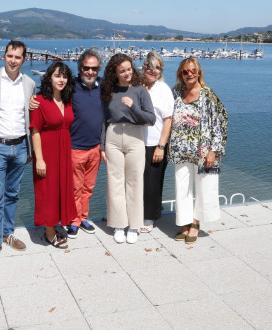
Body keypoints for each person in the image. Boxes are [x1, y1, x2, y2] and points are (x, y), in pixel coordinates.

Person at [29, 48, 104, 239]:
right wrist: (32, 100)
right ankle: (73, 222)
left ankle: (81, 217)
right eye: (86, 67)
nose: (90, 71)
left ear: (98, 69)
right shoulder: (69, 89)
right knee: (72, 188)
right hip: (73, 148)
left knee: (87, 188)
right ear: (80, 68)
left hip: (94, 147)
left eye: (94, 68)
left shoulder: (101, 87)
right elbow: (36, 127)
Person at [0, 40, 36, 265]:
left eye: (18, 57)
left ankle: (7, 233)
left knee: (12, 194)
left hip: (21, 147)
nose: (13, 60)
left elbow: (29, 116)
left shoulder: (29, 83)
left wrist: (31, 148)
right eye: (10, 56)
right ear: (4, 56)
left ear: (24, 59)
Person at [169, 57, 228, 244]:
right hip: (180, 149)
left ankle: (195, 223)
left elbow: (221, 121)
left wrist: (214, 150)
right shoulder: (176, 92)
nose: (189, 74)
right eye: (185, 72)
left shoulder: (207, 95)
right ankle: (184, 222)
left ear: (198, 72)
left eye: (192, 71)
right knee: (182, 187)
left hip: (202, 151)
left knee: (203, 188)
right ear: (180, 74)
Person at [101, 53, 155, 244]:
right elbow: (103, 120)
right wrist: (101, 146)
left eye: (129, 69)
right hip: (113, 136)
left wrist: (133, 108)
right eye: (122, 71)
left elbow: (151, 119)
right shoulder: (108, 89)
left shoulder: (140, 90)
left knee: (134, 182)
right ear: (114, 72)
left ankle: (134, 225)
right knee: (114, 181)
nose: (127, 73)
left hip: (135, 137)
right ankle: (118, 224)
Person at [30, 62, 77, 248]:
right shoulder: (40, 101)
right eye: (57, 75)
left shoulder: (68, 100)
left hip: (63, 153)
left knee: (60, 190)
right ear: (49, 77)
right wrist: (39, 159)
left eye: (64, 76)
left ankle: (56, 223)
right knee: (47, 192)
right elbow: (35, 131)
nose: (61, 80)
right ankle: (49, 232)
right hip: (47, 153)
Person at [140, 51, 174, 233]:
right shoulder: (136, 85)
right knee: (136, 181)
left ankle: (149, 217)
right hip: (136, 142)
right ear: (144, 66)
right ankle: (136, 213)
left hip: (155, 143)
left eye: (157, 68)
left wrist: (161, 145)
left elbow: (168, 120)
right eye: (150, 66)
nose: (153, 71)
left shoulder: (164, 89)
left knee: (153, 182)